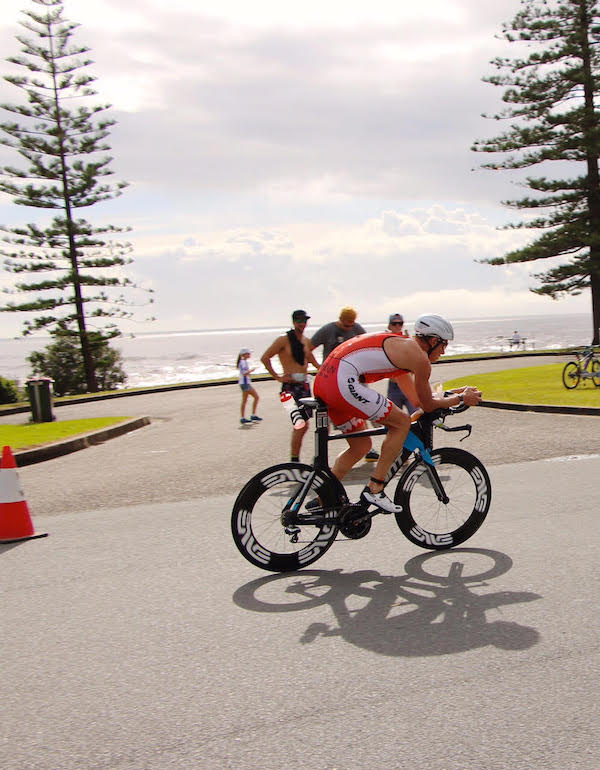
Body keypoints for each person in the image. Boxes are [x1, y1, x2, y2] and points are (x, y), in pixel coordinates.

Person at [313, 313, 482, 513]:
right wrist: (461, 399)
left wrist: (455, 393)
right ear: (434, 340)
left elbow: (418, 400)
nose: (444, 352)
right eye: (444, 345)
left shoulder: (404, 349)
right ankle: (375, 488)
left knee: (361, 446)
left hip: (325, 381)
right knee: (401, 422)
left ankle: (323, 497)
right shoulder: (419, 359)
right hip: (342, 382)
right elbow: (428, 406)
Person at [310, 306, 379, 462]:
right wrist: (319, 368)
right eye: (346, 325)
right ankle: (320, 456)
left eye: (351, 325)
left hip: (355, 379)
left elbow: (368, 348)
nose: (349, 328)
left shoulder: (357, 328)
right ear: (340, 320)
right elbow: (308, 348)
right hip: (332, 382)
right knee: (325, 419)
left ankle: (369, 450)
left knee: (361, 411)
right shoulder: (328, 330)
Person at [261, 309, 320, 462]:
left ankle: (297, 459)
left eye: (305, 320)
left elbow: (314, 363)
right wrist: (277, 377)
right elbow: (265, 358)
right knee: (300, 425)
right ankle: (294, 460)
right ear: (294, 322)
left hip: (304, 387)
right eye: (299, 320)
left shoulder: (306, 341)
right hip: (289, 389)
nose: (302, 323)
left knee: (305, 425)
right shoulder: (283, 339)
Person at [386, 313, 416, 414]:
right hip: (394, 386)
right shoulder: (386, 341)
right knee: (394, 419)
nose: (397, 326)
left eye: (400, 323)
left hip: (408, 382)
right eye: (394, 324)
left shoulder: (408, 340)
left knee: (417, 416)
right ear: (390, 325)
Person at [236, 348, 261, 425]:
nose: (250, 355)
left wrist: (249, 372)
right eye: (248, 353)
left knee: (245, 401)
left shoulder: (243, 362)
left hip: (244, 383)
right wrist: (251, 370)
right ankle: (252, 415)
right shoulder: (243, 362)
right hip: (245, 384)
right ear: (244, 354)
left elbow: (244, 373)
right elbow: (244, 373)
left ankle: (243, 417)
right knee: (256, 397)